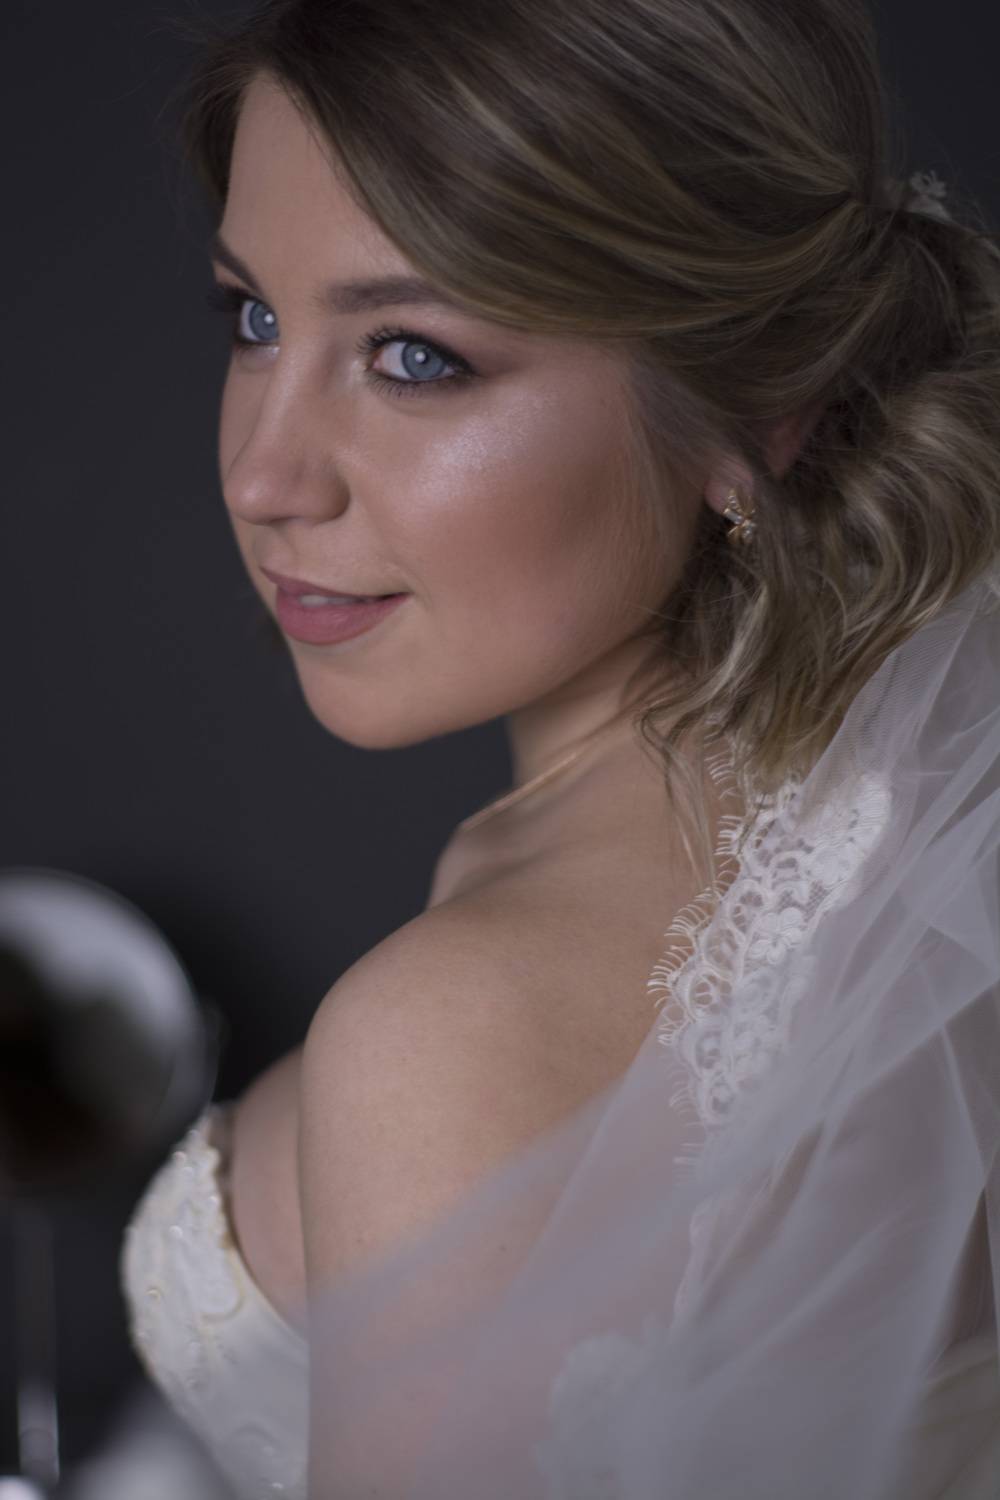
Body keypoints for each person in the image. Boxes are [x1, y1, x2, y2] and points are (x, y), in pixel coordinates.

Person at [121, 0, 1000, 1494]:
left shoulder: (452, 1029)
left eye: (413, 356)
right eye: (255, 321)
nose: (266, 476)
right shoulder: (908, 853)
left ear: (756, 406)